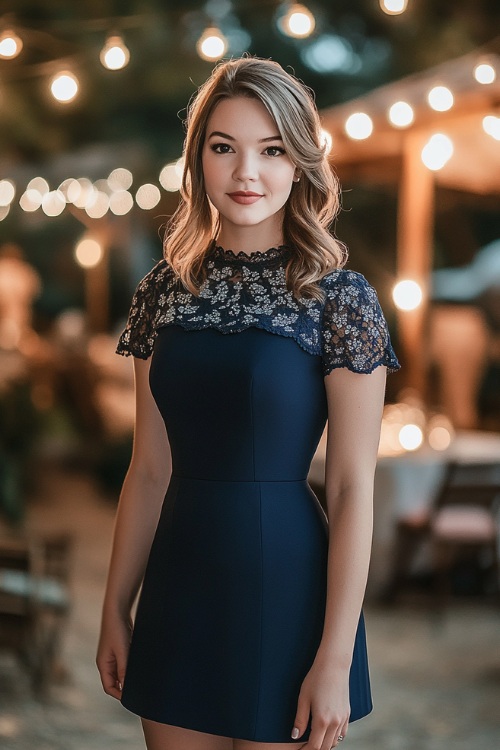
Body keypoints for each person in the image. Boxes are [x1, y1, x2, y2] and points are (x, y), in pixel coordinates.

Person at [96, 56, 400, 750]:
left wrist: (335, 655)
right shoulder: (162, 292)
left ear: (300, 164)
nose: (246, 174)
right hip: (180, 586)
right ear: (197, 157)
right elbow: (148, 469)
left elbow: (354, 486)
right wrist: (115, 606)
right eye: (223, 147)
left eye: (271, 150)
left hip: (287, 589)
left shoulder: (340, 300)